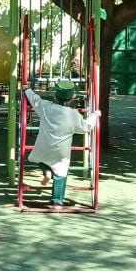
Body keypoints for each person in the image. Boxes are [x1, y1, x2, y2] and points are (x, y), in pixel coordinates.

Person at [24, 80, 99, 211]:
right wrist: (95, 115)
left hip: (44, 146)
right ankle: (57, 202)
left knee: (40, 158)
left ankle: (47, 171)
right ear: (72, 97)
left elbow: (34, 100)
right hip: (61, 151)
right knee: (61, 173)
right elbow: (86, 127)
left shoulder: (46, 106)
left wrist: (26, 90)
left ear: (55, 95)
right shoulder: (73, 114)